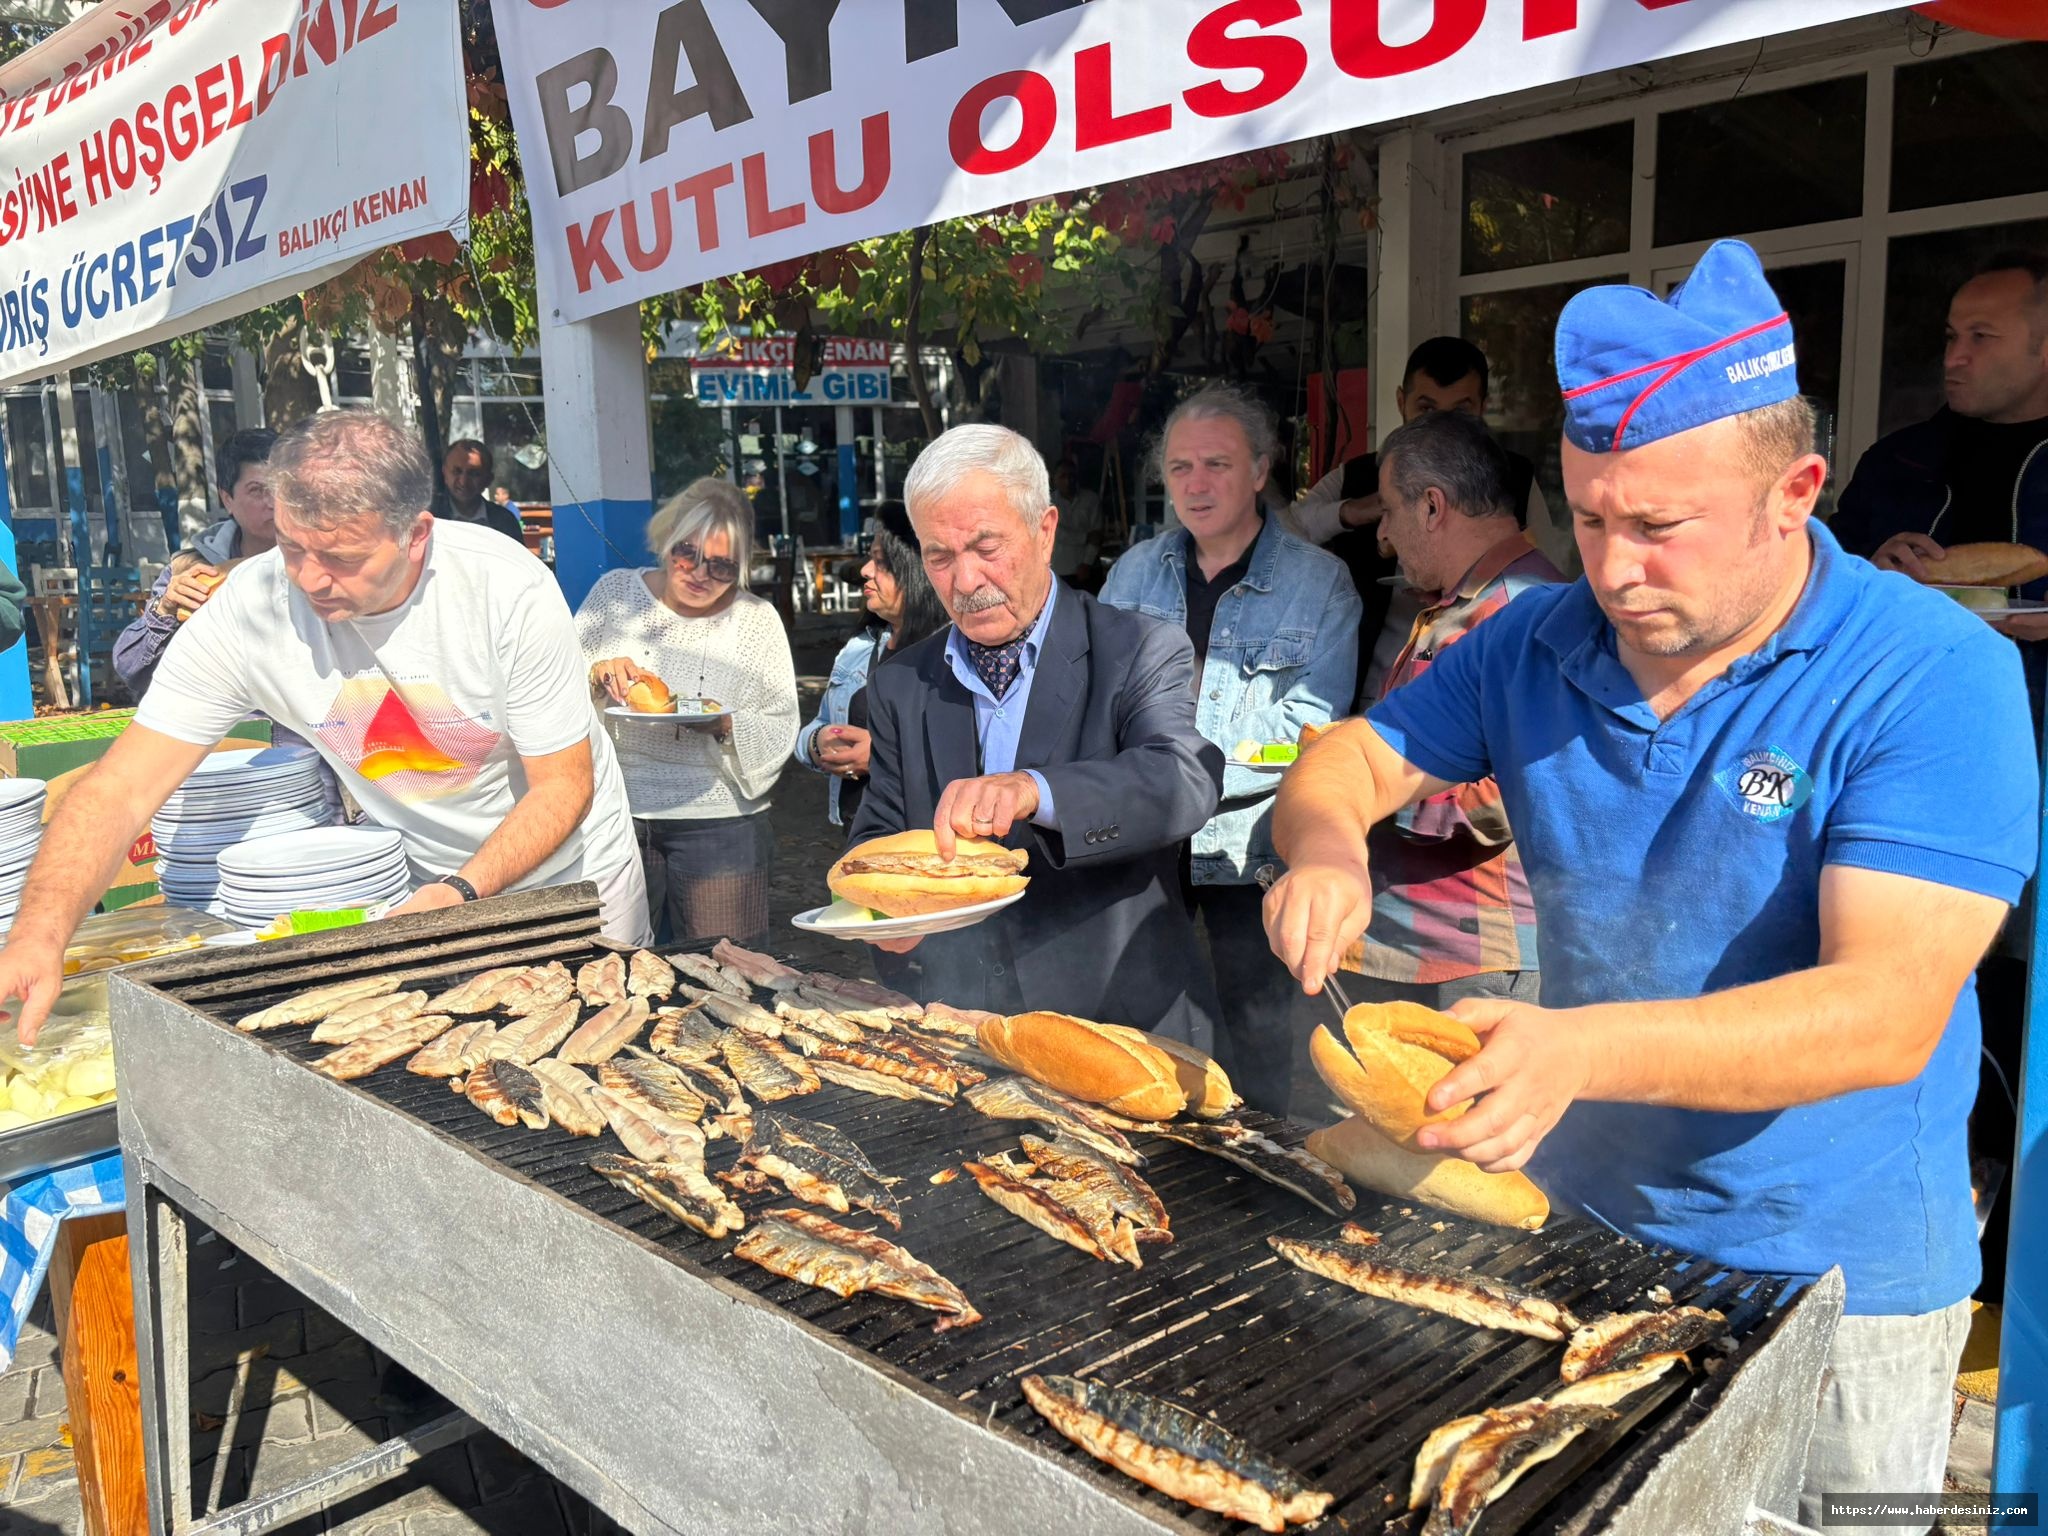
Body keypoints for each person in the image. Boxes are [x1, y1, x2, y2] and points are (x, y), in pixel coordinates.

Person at [1261, 240, 2036, 1532]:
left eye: (1660, 528)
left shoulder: (1934, 674)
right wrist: (1329, 846)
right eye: (1591, 517)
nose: (1613, 569)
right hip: (1593, 1234)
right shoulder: (1537, 643)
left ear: (1794, 493)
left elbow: (1883, 1009)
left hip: (1843, 1285)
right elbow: (1346, 759)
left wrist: (1577, 1055)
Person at [0, 410, 650, 1043]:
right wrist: (37, 933)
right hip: (422, 888)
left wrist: (459, 891)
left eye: (339, 557)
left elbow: (562, 788)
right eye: (291, 547)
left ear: (416, 534)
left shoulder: (506, 590)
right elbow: (119, 790)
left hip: (572, 883)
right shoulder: (248, 612)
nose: (310, 579)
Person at [847, 424, 1225, 1042]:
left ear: (1045, 531)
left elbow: (1182, 778)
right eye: (939, 556)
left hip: (1120, 1023)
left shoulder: (1137, 649)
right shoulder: (899, 685)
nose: (965, 581)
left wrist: (1035, 790)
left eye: (985, 547)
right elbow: (878, 833)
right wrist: (879, 910)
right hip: (964, 1025)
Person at [1099, 386, 1358, 1111]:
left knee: (1255, 1034)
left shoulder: (1320, 583)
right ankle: (1160, 1154)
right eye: (1180, 468)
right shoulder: (1134, 572)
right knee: (1143, 1019)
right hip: (1146, 844)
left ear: (1259, 471)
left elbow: (1309, 732)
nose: (1197, 483)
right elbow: (1101, 696)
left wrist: (1177, 766)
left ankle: (1256, 1176)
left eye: (1217, 463)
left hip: (1251, 850)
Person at [1345, 409, 1563, 1012]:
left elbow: (1517, 791)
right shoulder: (1464, 603)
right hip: (1415, 944)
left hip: (1472, 959)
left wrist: (1368, 780)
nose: (1383, 534)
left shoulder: (1526, 609)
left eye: (1389, 510)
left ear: (1433, 507)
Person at [1285, 337, 1574, 704]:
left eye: (1460, 412)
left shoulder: (1513, 480)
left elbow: (1543, 567)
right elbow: (1285, 530)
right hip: (1369, 690)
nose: (1441, 425)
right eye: (1426, 408)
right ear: (1401, 402)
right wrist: (1348, 511)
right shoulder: (1361, 473)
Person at [577, 477, 798, 948]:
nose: (700, 574)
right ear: (666, 541)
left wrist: (723, 724)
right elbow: (556, 686)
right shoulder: (615, 594)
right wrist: (598, 674)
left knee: (729, 969)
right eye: (687, 554)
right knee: (617, 966)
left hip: (719, 823)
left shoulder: (755, 620)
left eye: (721, 566)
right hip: (620, 815)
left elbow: (781, 722)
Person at [1833, 253, 2048, 643]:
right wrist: (1868, 578)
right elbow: (1817, 599)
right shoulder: (1894, 462)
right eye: (1952, 336)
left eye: (1980, 337)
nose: (1953, 358)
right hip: (1913, 697)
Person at [795, 501, 948, 829]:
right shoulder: (861, 646)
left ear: (915, 571)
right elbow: (817, 725)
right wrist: (819, 741)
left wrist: (882, 757)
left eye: (880, 562)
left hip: (927, 840)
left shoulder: (956, 654)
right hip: (858, 836)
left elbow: (974, 754)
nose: (865, 570)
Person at [114, 429, 278, 696]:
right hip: (226, 728)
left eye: (282, 488)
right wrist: (165, 609)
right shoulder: (193, 569)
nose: (272, 502)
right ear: (227, 500)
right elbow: (131, 669)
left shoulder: (326, 563)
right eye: (257, 490)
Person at [437, 439, 527, 544]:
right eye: (457, 471)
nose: (463, 481)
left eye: (473, 474)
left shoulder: (505, 522)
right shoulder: (431, 518)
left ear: (488, 480)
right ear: (444, 474)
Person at [1048, 457, 1103, 582]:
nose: (1068, 481)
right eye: (1063, 476)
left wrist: (1086, 563)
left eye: (1071, 476)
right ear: (1054, 479)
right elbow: (1057, 533)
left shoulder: (1091, 499)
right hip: (1059, 571)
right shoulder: (1046, 503)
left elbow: (1097, 535)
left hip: (1088, 569)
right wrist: (1085, 537)